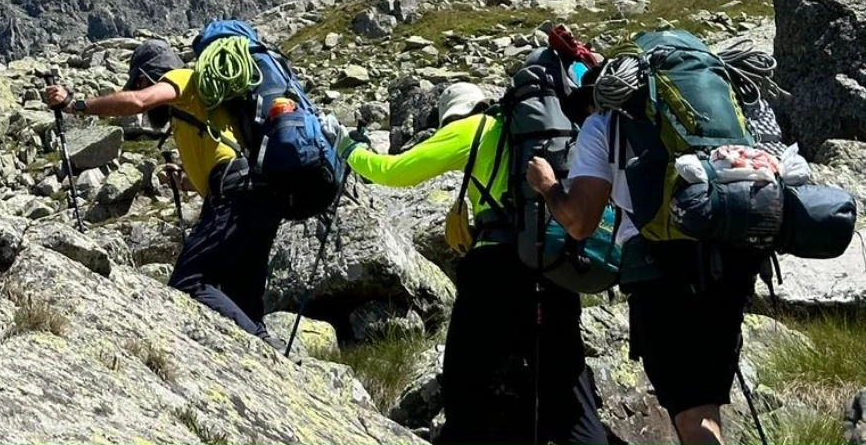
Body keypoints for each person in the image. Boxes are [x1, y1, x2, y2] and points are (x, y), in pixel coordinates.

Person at [324, 83, 608, 445]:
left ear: (455, 115)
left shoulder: (473, 128)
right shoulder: (555, 129)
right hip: (555, 264)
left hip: (493, 269)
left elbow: (391, 171)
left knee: (466, 382)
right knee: (568, 385)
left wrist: (348, 148)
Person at [526, 65, 764, 445]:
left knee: (691, 414)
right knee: (704, 406)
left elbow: (580, 223)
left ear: (596, 98)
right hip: (730, 252)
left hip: (663, 267)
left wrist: (548, 187)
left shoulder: (601, 124)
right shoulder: (694, 117)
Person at [42, 40, 289, 353]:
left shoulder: (183, 80)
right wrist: (186, 181)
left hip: (235, 197)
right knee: (242, 299)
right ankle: (271, 360)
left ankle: (265, 347)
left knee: (189, 282)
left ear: (148, 77)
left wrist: (75, 105)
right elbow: (223, 156)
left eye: (140, 82)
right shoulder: (200, 104)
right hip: (259, 198)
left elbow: (139, 102)